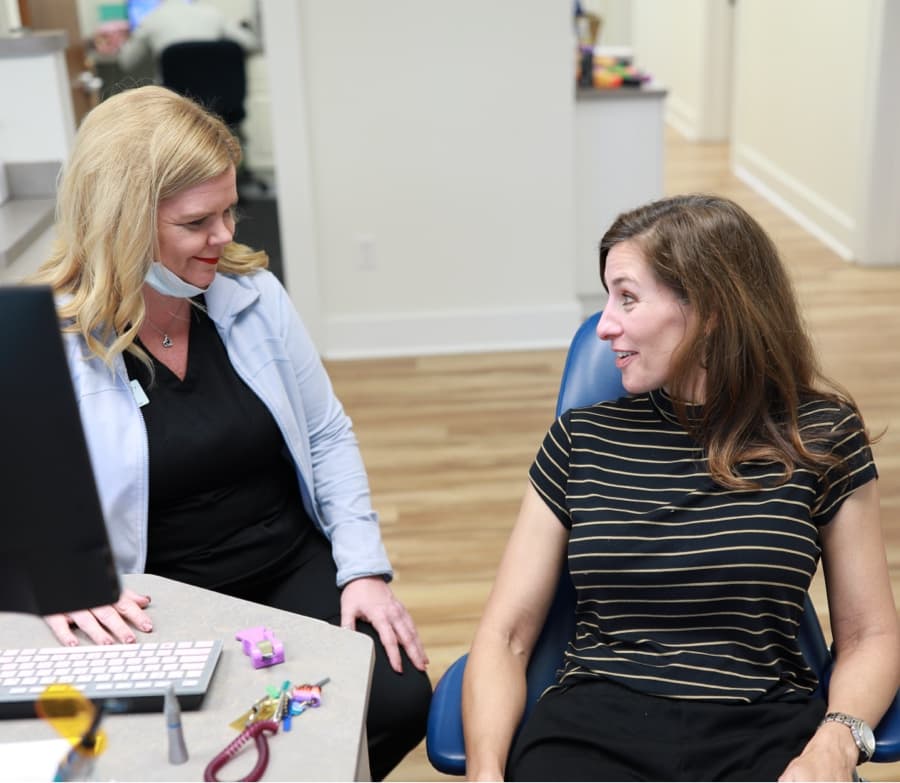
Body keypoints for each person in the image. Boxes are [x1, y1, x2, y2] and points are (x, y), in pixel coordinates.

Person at [27, 84, 431, 782]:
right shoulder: (49, 341)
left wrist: (363, 567)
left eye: (228, 211)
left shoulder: (253, 297)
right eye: (196, 222)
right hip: (163, 590)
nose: (224, 236)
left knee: (398, 696)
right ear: (124, 223)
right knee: (185, 750)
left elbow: (329, 434)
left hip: (286, 558)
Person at [461, 194, 900, 781]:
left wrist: (835, 743)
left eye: (628, 297)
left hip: (764, 730)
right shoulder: (581, 440)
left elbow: (869, 633)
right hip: (592, 730)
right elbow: (506, 634)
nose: (604, 325)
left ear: (710, 307)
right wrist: (485, 773)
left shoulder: (820, 437)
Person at [118, 0, 258, 73]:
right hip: (219, 102)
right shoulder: (213, 15)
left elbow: (126, 63)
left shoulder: (150, 20)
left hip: (176, 107)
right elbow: (252, 43)